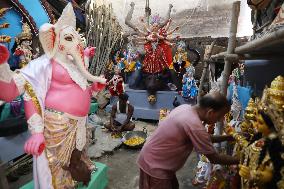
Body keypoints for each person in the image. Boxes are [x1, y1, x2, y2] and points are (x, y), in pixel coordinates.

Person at [137, 92, 239, 189]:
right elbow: (215, 158)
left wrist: (229, 137)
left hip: (151, 157)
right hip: (155, 165)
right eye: (220, 116)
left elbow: (205, 138)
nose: (221, 120)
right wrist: (242, 160)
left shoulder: (185, 108)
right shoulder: (195, 125)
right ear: (210, 112)